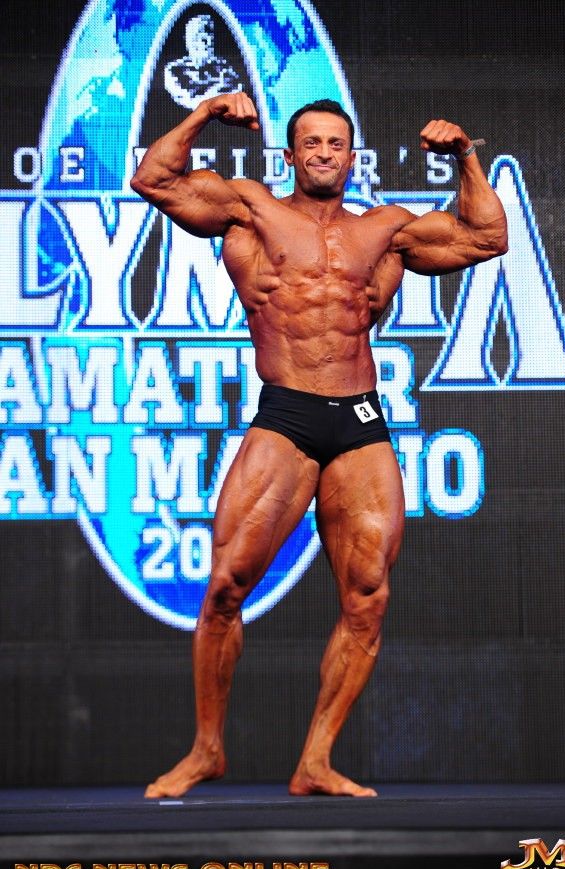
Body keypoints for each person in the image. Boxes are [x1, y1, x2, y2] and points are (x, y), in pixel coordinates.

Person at [131, 92, 508, 798]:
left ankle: (316, 761)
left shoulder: (386, 230)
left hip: (359, 420)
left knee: (367, 597)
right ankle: (207, 750)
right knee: (224, 587)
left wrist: (465, 157)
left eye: (336, 143)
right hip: (287, 417)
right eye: (312, 143)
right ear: (291, 155)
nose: (324, 154)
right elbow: (154, 179)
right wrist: (205, 113)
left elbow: (488, 238)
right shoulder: (250, 210)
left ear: (352, 156)